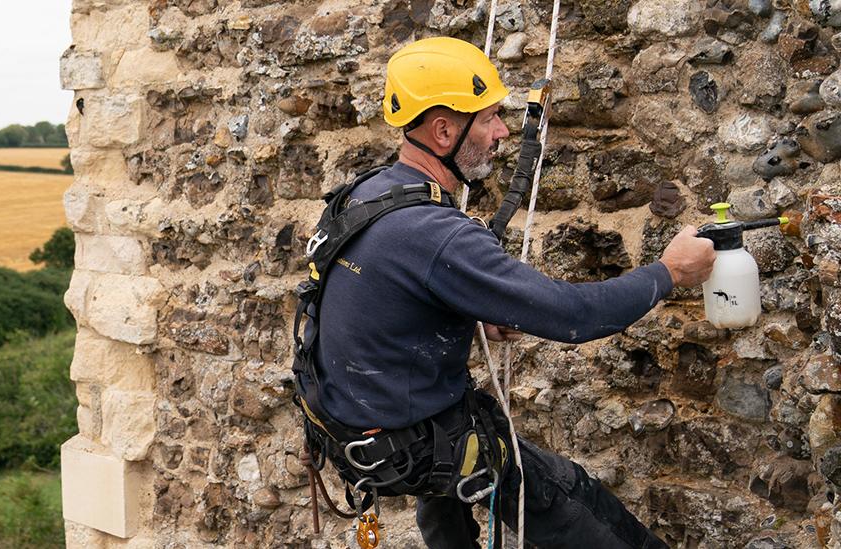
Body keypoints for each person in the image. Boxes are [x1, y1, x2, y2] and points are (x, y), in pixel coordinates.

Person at [294, 36, 715, 548]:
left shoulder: (367, 193)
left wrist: (464, 310)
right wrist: (669, 272)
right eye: (490, 117)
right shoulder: (434, 232)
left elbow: (380, 299)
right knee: (574, 499)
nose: (500, 132)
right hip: (415, 444)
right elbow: (574, 315)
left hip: (359, 436)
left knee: (448, 488)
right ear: (444, 130)